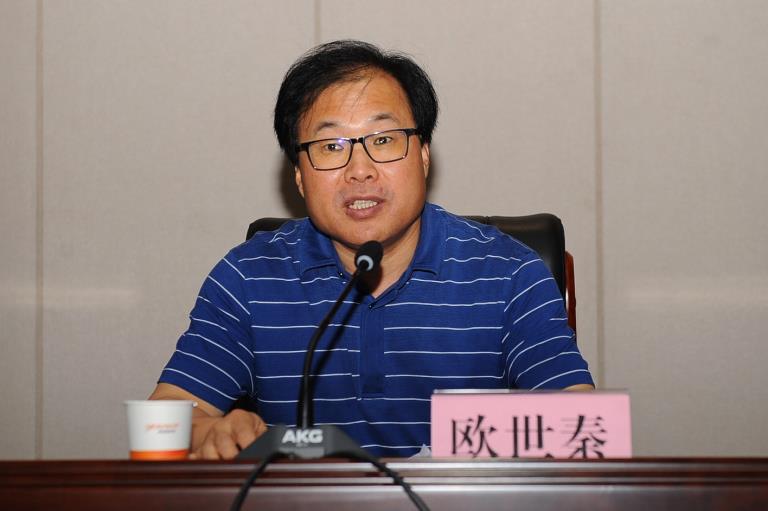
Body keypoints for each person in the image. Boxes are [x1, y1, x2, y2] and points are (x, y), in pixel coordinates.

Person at [149, 40, 594, 460]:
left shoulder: (509, 274)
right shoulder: (249, 278)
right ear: (299, 175)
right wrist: (208, 432)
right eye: (331, 146)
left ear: (423, 155)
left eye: (383, 139)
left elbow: (582, 427)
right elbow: (163, 421)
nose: (359, 170)